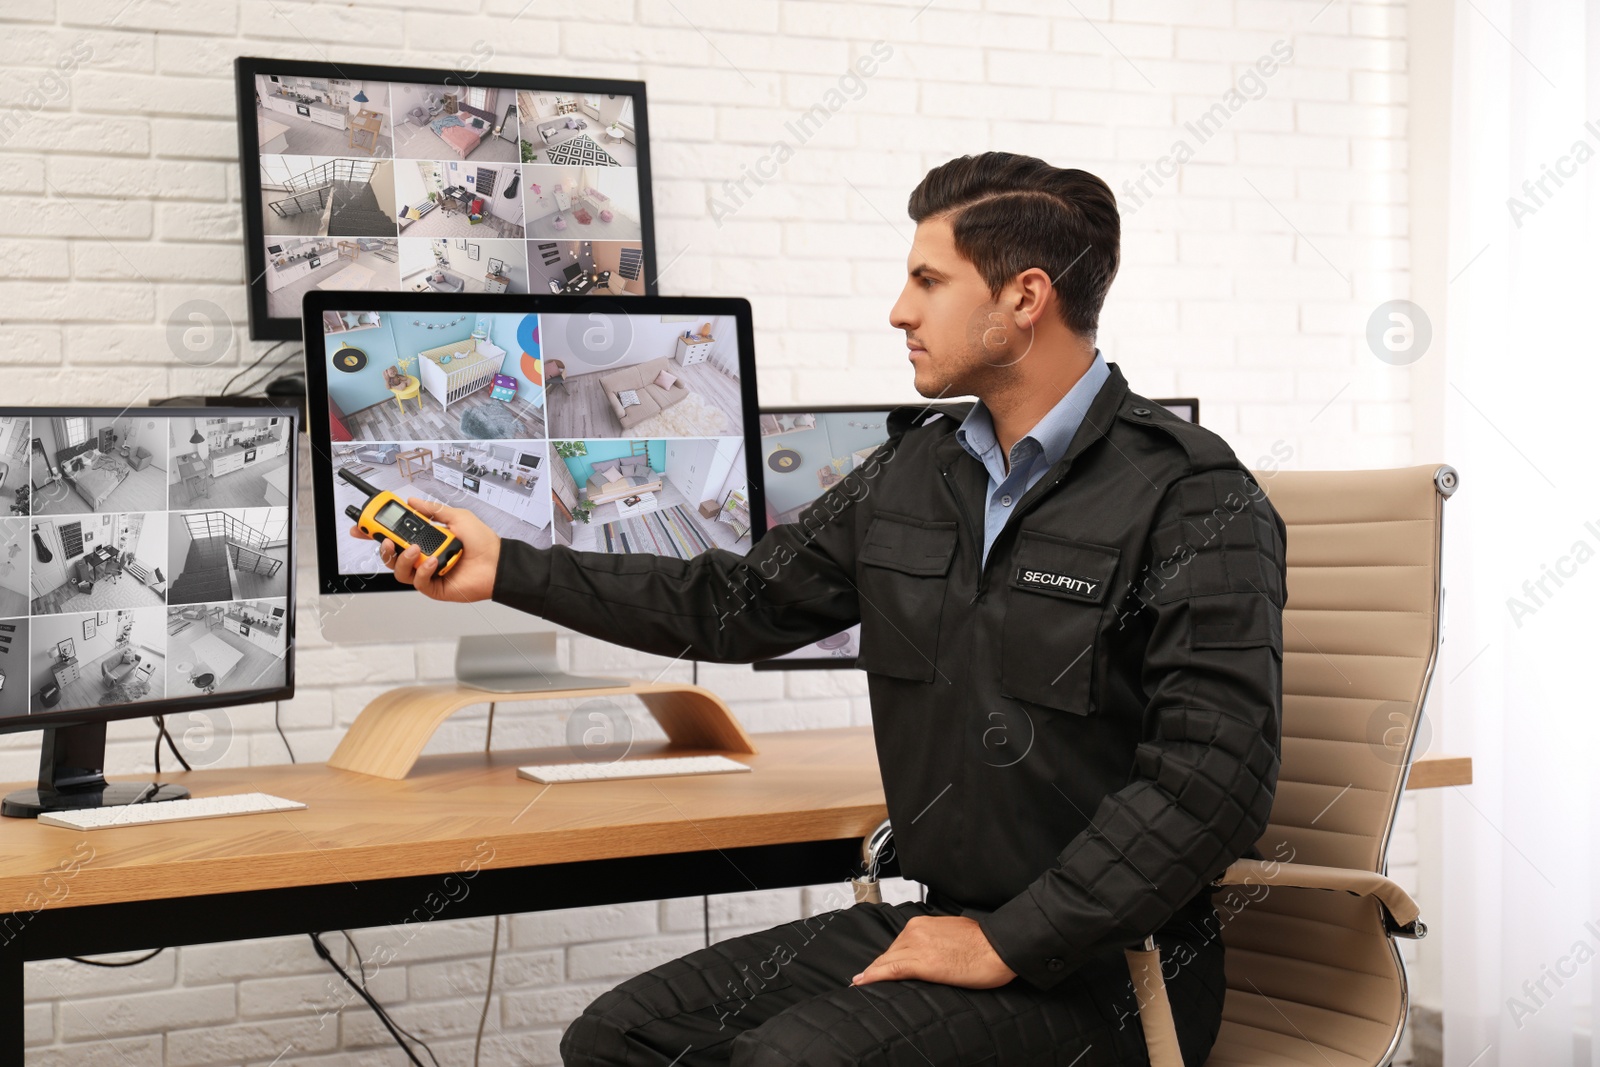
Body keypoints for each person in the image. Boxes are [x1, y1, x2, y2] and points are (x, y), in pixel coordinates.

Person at [355, 151, 1287, 1066]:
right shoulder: (917, 469)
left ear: (1025, 298)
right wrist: (506, 565)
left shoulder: (1191, 495)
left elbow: (1212, 781)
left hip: (1114, 969)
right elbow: (732, 605)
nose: (900, 310)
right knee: (618, 1037)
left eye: (928, 280)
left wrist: (1008, 941)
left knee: (790, 1058)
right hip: (945, 923)